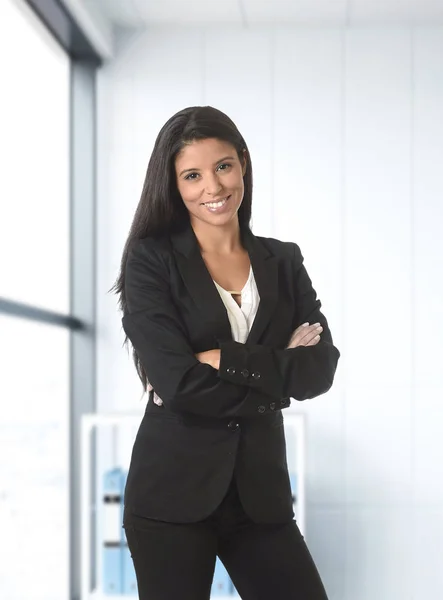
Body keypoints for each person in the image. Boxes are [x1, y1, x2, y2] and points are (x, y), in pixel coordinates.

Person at [112, 105, 340, 600]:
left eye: (222, 167)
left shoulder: (283, 259)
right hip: (171, 498)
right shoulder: (151, 260)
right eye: (192, 175)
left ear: (242, 163)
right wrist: (278, 378)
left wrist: (224, 359)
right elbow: (179, 384)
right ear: (173, 185)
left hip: (259, 498)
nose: (212, 188)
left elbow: (319, 369)